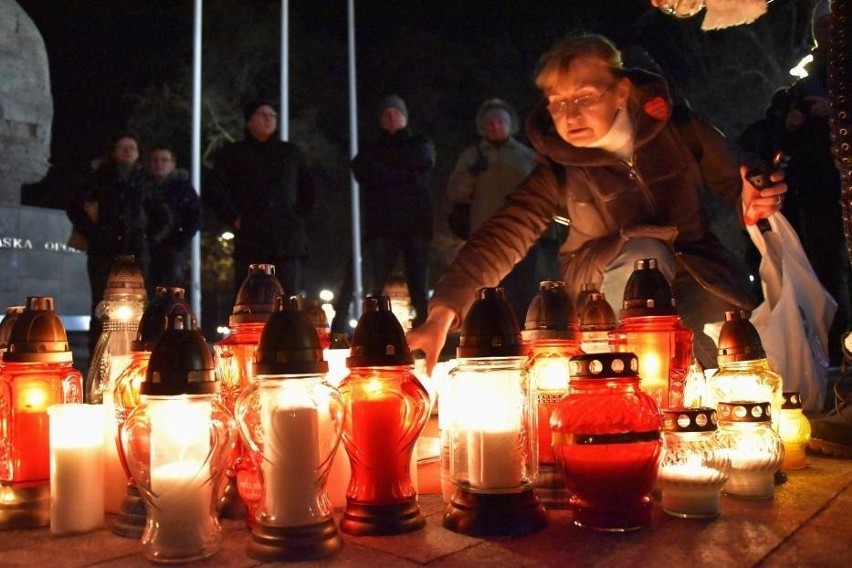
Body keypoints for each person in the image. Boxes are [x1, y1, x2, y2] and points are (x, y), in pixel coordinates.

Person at [408, 34, 786, 374]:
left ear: (621, 93)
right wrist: (445, 309)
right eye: (557, 103)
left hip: (697, 270)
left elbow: (736, 178)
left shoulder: (677, 130)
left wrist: (755, 195)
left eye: (585, 97)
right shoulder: (558, 170)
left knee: (734, 369)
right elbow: (502, 234)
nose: (570, 115)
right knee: (644, 256)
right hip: (601, 282)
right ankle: (620, 379)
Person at [740, 3, 849, 367]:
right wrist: (788, 121)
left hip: (837, 185)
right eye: (824, 27)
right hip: (814, 195)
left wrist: (835, 113)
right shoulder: (803, 85)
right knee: (823, 276)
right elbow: (762, 136)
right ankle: (832, 355)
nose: (830, 35)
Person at [447, 98, 564, 322]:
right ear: (483, 127)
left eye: (500, 122)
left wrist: (547, 230)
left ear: (510, 125)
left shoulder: (526, 155)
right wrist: (472, 173)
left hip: (524, 235)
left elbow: (545, 192)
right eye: (490, 123)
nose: (495, 126)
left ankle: (520, 330)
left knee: (523, 288)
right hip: (485, 233)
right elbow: (455, 192)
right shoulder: (473, 156)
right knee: (487, 289)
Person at [66, 133, 172, 353]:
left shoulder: (145, 181)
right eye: (122, 147)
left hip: (137, 252)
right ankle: (99, 355)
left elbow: (163, 216)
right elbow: (75, 206)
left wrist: (148, 239)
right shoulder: (99, 178)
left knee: (140, 304)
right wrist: (95, 234)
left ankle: (137, 353)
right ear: (113, 152)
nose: (127, 151)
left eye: (132, 147)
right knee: (102, 304)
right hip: (104, 251)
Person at [207, 100, 316, 296]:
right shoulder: (233, 153)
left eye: (272, 115)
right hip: (251, 239)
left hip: (287, 241)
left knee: (287, 298)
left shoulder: (290, 153)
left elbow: (308, 187)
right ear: (249, 121)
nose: (268, 119)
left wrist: (297, 217)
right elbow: (216, 189)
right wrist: (234, 218)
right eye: (262, 114)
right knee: (251, 299)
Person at [350, 94, 436, 328]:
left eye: (396, 113)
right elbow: (361, 169)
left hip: (415, 222)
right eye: (386, 114)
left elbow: (422, 160)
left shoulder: (419, 143)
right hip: (382, 223)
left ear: (404, 118)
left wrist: (385, 170)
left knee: (419, 283)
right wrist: (405, 172)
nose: (391, 117)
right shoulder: (370, 148)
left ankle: (423, 328)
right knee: (377, 282)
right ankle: (373, 327)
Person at [144, 145, 201, 294]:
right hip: (143, 249)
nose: (159, 163)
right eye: (155, 160)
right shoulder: (141, 186)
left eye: (164, 160)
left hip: (173, 249)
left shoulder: (183, 189)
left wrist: (181, 240)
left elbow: (195, 217)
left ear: (172, 164)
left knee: (171, 293)